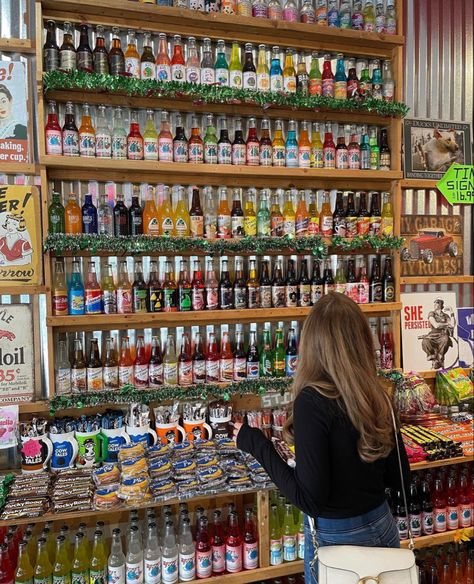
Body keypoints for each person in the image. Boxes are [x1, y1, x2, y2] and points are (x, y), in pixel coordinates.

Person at [233, 292, 410, 584]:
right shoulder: (377, 395)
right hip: (382, 525)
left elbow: (310, 501)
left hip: (338, 540)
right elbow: (401, 477)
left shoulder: (312, 402)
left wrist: (256, 444)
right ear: (362, 341)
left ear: (312, 345)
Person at [420, 298, 455, 369]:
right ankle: (432, 356)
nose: (435, 304)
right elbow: (435, 325)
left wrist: (451, 311)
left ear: (441, 304)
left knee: (445, 339)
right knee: (425, 341)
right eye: (435, 302)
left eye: (437, 302)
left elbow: (452, 324)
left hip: (443, 335)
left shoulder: (445, 316)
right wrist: (446, 324)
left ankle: (439, 357)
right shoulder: (432, 313)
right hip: (433, 335)